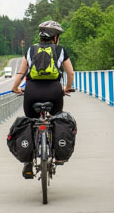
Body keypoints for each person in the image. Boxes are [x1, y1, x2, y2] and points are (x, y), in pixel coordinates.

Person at [11, 20, 75, 178]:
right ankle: (58, 153)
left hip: (32, 92)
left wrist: (15, 88)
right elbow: (71, 73)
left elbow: (21, 73)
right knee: (56, 119)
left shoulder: (31, 49)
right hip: (54, 91)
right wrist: (66, 88)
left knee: (31, 121)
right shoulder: (60, 50)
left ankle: (28, 163)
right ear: (55, 38)